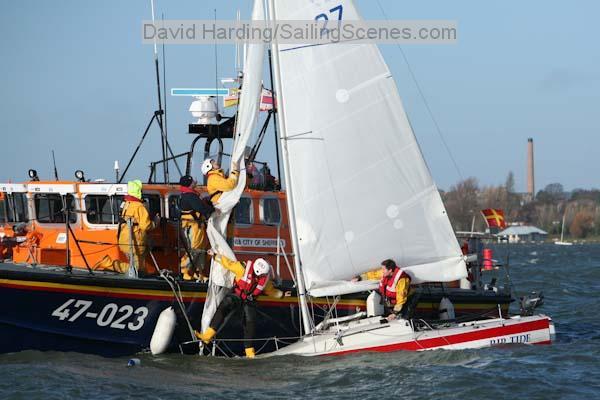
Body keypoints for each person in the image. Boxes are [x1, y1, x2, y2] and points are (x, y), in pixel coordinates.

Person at [195, 250, 283, 358]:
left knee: (249, 323)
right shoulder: (242, 268)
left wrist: (282, 295)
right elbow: (228, 263)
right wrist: (216, 255)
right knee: (224, 306)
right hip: (237, 295)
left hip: (250, 300)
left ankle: (249, 352)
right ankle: (207, 336)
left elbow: (271, 290)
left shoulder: (264, 280)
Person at [117, 180, 157, 276]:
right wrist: (156, 222)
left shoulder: (126, 204)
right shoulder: (139, 206)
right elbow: (146, 225)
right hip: (135, 242)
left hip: (124, 239)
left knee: (140, 266)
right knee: (136, 268)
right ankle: (109, 263)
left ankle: (143, 278)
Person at [178, 175, 212, 281]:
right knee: (194, 249)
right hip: (193, 227)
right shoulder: (190, 196)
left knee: (200, 250)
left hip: (196, 226)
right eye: (193, 181)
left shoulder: (186, 195)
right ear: (189, 183)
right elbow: (200, 208)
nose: (195, 181)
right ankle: (185, 272)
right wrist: (213, 208)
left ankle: (198, 272)